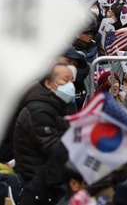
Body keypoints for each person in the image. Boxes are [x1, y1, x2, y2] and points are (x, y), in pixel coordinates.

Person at [13, 64, 76, 204]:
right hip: (39, 180)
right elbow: (53, 148)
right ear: (48, 83)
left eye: (72, 80)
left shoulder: (61, 105)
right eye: (65, 80)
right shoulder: (38, 110)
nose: (70, 85)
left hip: (54, 173)